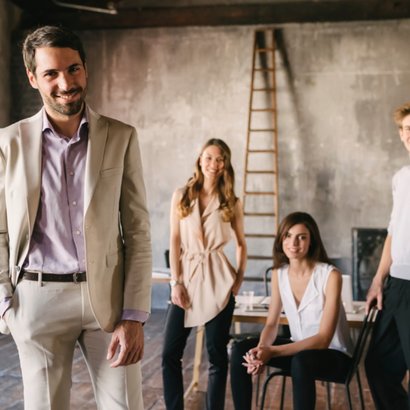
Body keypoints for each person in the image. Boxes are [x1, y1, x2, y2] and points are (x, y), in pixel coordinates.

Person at [0, 26, 152, 410]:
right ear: (33, 78)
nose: (65, 82)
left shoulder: (121, 137)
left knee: (125, 407)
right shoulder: (8, 143)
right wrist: (5, 303)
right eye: (51, 73)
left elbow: (137, 230)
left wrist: (134, 315)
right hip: (36, 301)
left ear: (85, 69)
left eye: (73, 69)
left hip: (110, 302)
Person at [230, 211, 353, 410]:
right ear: (281, 239)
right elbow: (271, 324)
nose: (293, 243)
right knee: (239, 351)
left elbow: (323, 339)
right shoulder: (279, 274)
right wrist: (261, 351)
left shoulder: (330, 276)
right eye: (288, 236)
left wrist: (273, 351)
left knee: (302, 361)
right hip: (298, 352)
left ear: (312, 241)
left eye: (302, 237)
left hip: (335, 356)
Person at [162, 138, 247, 410]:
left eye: (220, 159)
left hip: (219, 279)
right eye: (209, 157)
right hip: (186, 277)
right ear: (200, 160)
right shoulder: (182, 195)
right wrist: (175, 282)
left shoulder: (231, 201)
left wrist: (238, 279)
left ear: (225, 164)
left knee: (217, 355)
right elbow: (174, 240)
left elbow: (242, 244)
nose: (214, 164)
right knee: (169, 354)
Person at [365, 102, 410, 410]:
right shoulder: (401, 177)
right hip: (395, 283)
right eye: (407, 129)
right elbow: (393, 231)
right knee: (378, 366)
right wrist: (379, 279)